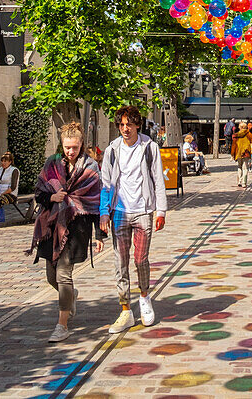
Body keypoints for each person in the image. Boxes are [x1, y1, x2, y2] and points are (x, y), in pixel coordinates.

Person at [30, 122, 104, 343]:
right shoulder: (52, 164)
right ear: (61, 145)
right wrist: (52, 197)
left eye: (74, 147)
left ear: (82, 144)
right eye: (67, 147)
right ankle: (71, 296)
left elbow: (96, 202)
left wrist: (99, 235)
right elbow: (39, 191)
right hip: (51, 227)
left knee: (64, 275)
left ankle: (62, 325)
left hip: (76, 228)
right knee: (52, 278)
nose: (70, 151)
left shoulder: (90, 167)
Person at [100, 105, 167, 333]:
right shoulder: (112, 150)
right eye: (121, 125)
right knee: (121, 261)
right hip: (119, 212)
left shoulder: (150, 147)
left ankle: (145, 298)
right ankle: (125, 309)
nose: (125, 129)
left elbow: (158, 179)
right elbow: (106, 184)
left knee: (140, 259)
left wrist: (161, 211)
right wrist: (103, 211)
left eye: (129, 124)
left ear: (138, 124)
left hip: (143, 210)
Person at [231, 122, 252, 187]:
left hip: (238, 152)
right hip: (246, 152)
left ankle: (239, 181)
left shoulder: (236, 135)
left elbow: (233, 145)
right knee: (245, 168)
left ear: (240, 128)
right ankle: (244, 183)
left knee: (239, 167)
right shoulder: (248, 134)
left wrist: (232, 154)